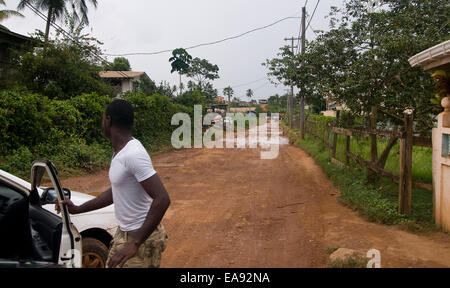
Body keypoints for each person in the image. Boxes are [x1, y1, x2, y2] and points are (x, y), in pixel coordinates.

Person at [57, 99, 170, 268]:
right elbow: (116, 192)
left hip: (141, 238)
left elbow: (162, 198)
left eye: (103, 118)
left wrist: (135, 244)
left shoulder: (133, 154)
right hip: (125, 233)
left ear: (108, 120)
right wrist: (78, 209)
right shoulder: (120, 152)